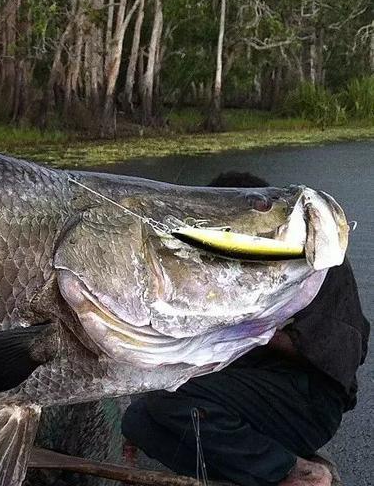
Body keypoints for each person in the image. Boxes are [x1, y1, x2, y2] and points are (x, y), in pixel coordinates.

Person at [121, 171, 369, 486]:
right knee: (137, 421)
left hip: (309, 402)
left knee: (170, 399)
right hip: (255, 392)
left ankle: (292, 470)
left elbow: (343, 356)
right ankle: (261, 465)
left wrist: (252, 329)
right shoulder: (246, 258)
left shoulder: (310, 257)